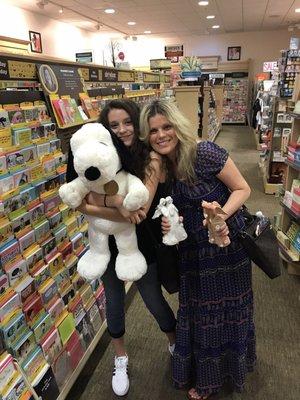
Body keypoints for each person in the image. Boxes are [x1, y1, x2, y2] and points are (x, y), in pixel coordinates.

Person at [139, 99, 255, 400]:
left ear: (178, 126)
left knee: (222, 312)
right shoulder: (162, 166)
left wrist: (220, 216)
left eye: (166, 127)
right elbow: (169, 210)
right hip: (192, 255)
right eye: (153, 131)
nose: (161, 135)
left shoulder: (203, 152)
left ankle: (213, 380)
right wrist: (171, 226)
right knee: (199, 314)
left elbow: (243, 188)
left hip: (224, 249)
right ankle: (203, 371)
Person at [66, 99, 176, 397]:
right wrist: (115, 203)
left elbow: (139, 212)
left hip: (143, 244)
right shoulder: (100, 155)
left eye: (127, 122)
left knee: (153, 300)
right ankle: (120, 358)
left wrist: (94, 204)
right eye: (114, 125)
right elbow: (77, 201)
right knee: (113, 300)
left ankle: (175, 342)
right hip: (107, 245)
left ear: (137, 122)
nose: (122, 129)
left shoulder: (150, 158)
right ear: (106, 129)